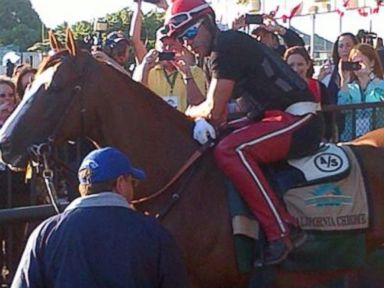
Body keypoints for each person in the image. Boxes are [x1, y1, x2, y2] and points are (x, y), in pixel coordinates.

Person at [166, 0, 323, 266]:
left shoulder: (226, 45)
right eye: (182, 38)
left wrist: (187, 114)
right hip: (275, 117)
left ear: (207, 23)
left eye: (190, 33)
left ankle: (281, 231)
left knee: (230, 150)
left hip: (300, 119)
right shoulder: (219, 49)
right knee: (223, 141)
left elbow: (214, 112)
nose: (187, 42)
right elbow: (220, 115)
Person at [11, 147, 188, 288]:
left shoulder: (45, 234)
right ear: (120, 183)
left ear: (83, 187)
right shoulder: (153, 233)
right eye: (132, 182)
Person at [338, 43, 384, 141]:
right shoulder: (349, 88)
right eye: (354, 63)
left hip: (376, 139)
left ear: (372, 62)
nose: (357, 66)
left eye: (360, 62)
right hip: (352, 139)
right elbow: (342, 108)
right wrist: (344, 81)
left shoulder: (381, 84)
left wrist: (370, 75)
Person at [317, 32, 359, 104]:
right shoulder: (329, 71)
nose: (344, 49)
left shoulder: (361, 70)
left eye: (348, 45)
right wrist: (319, 80)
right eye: (341, 46)